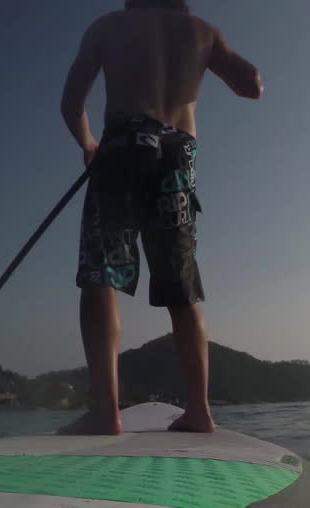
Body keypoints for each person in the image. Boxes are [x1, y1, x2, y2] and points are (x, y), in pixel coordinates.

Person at [56, 0, 262, 435]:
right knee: (181, 283)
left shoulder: (107, 25)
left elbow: (71, 102)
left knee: (102, 273)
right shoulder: (204, 32)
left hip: (122, 144)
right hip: (178, 154)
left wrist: (89, 143)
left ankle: (106, 413)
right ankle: (200, 411)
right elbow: (251, 85)